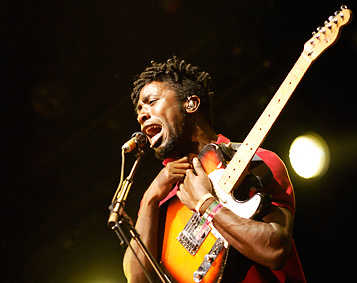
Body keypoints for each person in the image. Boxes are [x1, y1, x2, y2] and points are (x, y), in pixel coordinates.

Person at [122, 56, 305, 283]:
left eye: (151, 101)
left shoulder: (256, 161)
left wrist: (207, 205)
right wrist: (150, 198)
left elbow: (275, 250)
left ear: (190, 104)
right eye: (139, 109)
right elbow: (138, 278)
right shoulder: (162, 195)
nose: (142, 115)